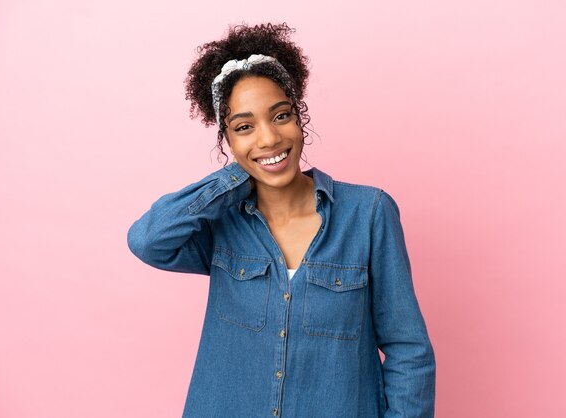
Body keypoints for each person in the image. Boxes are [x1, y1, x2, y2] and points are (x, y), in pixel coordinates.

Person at [127, 22, 435, 418]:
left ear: (299, 116)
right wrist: (238, 173)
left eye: (281, 116)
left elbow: (408, 349)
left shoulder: (369, 214)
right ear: (227, 139)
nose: (269, 138)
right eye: (244, 127)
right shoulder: (222, 225)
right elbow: (147, 241)